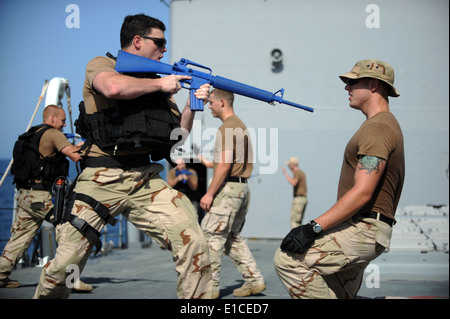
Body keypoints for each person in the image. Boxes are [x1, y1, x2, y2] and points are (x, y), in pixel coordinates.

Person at [33, 14, 212, 299]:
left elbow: (177, 139)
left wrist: (193, 105)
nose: (165, 49)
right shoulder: (103, 65)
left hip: (144, 177)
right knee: (66, 264)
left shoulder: (161, 86)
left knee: (194, 241)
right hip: (101, 176)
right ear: (138, 41)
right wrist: (162, 85)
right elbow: (113, 87)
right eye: (160, 42)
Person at [274, 59, 405, 299]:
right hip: (363, 227)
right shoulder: (380, 125)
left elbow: (363, 191)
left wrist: (312, 228)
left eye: (353, 82)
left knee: (288, 259)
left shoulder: (378, 128)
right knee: (337, 293)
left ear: (374, 85)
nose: (347, 88)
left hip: (364, 228)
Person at [0, 105, 83, 289]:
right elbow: (76, 157)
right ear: (52, 119)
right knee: (70, 229)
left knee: (19, 238)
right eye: (62, 121)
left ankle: (0, 275)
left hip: (25, 195)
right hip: (40, 197)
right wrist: (87, 146)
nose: (63, 125)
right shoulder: (53, 134)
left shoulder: (33, 133)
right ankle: (70, 279)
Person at [200, 89, 265, 299]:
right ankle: (254, 280)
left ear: (221, 102)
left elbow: (225, 165)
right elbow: (231, 161)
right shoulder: (240, 126)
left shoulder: (226, 128)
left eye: (210, 103)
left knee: (211, 237)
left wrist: (209, 193)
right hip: (241, 189)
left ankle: (209, 290)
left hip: (228, 190)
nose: (208, 106)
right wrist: (211, 163)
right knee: (232, 238)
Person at [167, 158, 203, 222]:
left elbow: (194, 187)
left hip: (190, 199)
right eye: (179, 165)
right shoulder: (173, 172)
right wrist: (177, 179)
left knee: (193, 214)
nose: (182, 166)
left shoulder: (191, 172)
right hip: (177, 199)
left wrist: (188, 179)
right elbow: (169, 185)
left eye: (182, 164)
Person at [282, 157, 308, 228]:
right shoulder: (301, 172)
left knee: (294, 222)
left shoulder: (297, 172)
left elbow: (293, 183)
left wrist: (285, 174)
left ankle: (295, 238)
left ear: (292, 165)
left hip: (299, 200)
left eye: (289, 165)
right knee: (298, 222)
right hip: (303, 199)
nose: (288, 166)